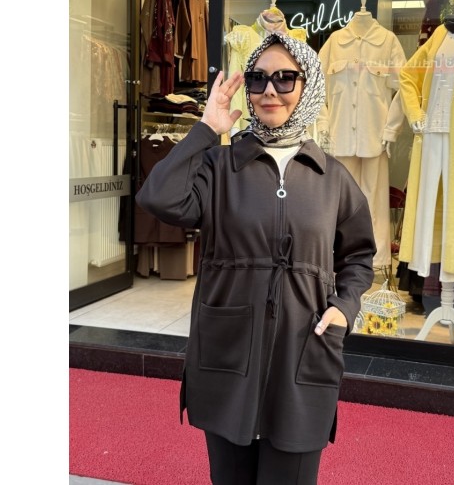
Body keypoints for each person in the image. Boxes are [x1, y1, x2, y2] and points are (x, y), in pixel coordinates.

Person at [136, 31, 376, 484]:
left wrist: (344, 308)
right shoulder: (220, 167)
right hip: (228, 356)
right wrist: (206, 130)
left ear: (307, 85)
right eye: (258, 78)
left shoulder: (332, 178)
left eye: (286, 78)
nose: (270, 90)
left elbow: (359, 255)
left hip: (304, 354)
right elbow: (157, 197)